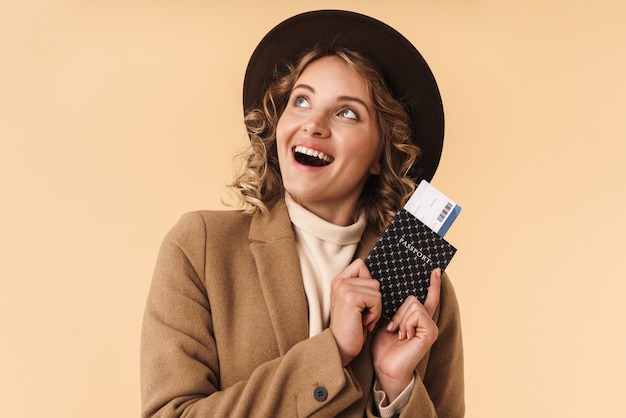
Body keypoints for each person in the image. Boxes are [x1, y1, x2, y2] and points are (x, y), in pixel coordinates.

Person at [141, 10, 464, 418]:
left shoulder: (425, 285)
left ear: (381, 155)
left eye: (346, 112)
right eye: (301, 101)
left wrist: (396, 389)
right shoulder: (201, 248)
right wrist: (333, 352)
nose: (313, 124)